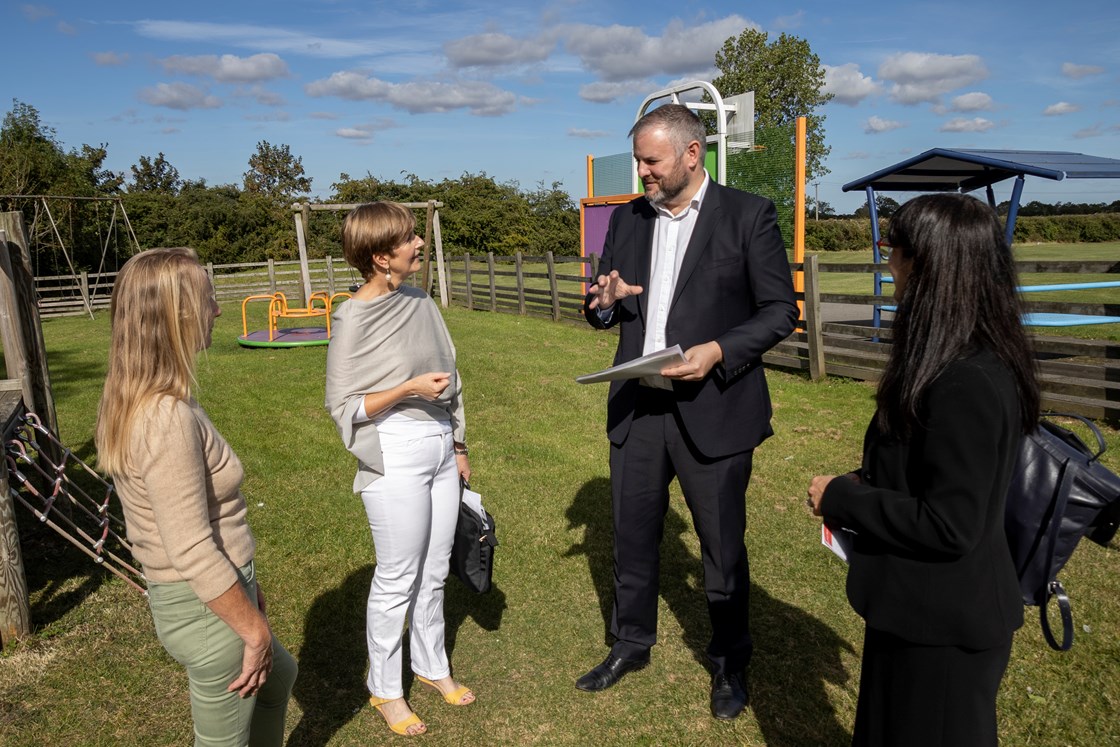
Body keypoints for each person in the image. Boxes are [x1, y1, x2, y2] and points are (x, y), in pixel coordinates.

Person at [579, 103, 798, 720]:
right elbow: (606, 303)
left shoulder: (748, 215)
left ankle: (730, 662)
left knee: (722, 546)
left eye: (651, 161)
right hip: (638, 407)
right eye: (640, 161)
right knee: (631, 533)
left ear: (692, 153)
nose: (642, 173)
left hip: (716, 407)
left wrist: (719, 351)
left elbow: (780, 311)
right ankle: (630, 644)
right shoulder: (626, 219)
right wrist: (604, 303)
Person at [807, 193, 1040, 746]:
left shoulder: (969, 381)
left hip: (945, 627)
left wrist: (841, 497)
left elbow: (951, 523)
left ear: (927, 264)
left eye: (894, 252)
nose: (889, 267)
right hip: (915, 611)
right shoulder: (952, 359)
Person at [95, 247, 297, 747]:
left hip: (216, 596)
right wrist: (249, 628)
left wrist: (249, 589)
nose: (219, 309)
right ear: (178, 314)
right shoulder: (164, 418)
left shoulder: (140, 395)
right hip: (206, 614)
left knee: (278, 682)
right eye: (209, 299)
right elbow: (188, 545)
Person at [325, 202, 475, 738]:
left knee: (435, 569)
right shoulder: (352, 317)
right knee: (397, 576)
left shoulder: (421, 302)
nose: (418, 245)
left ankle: (432, 666)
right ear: (380, 255)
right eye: (409, 239)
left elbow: (452, 372)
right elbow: (344, 405)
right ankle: (385, 688)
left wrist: (457, 443)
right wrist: (408, 389)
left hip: (438, 446)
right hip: (393, 452)